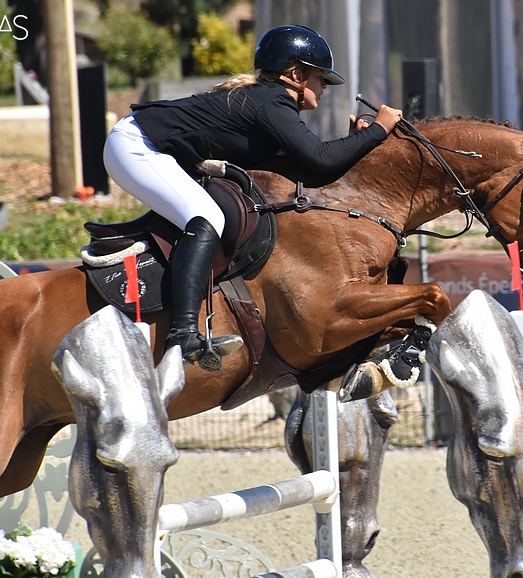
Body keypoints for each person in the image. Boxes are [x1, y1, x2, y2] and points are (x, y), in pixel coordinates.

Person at [103, 24, 403, 372]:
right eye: (320, 78)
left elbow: (310, 166)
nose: (323, 88)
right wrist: (380, 129)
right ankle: (182, 334)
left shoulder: (270, 104)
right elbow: (321, 157)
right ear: (296, 75)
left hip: (148, 147)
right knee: (207, 217)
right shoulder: (274, 101)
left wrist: (354, 144)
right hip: (136, 146)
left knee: (205, 215)